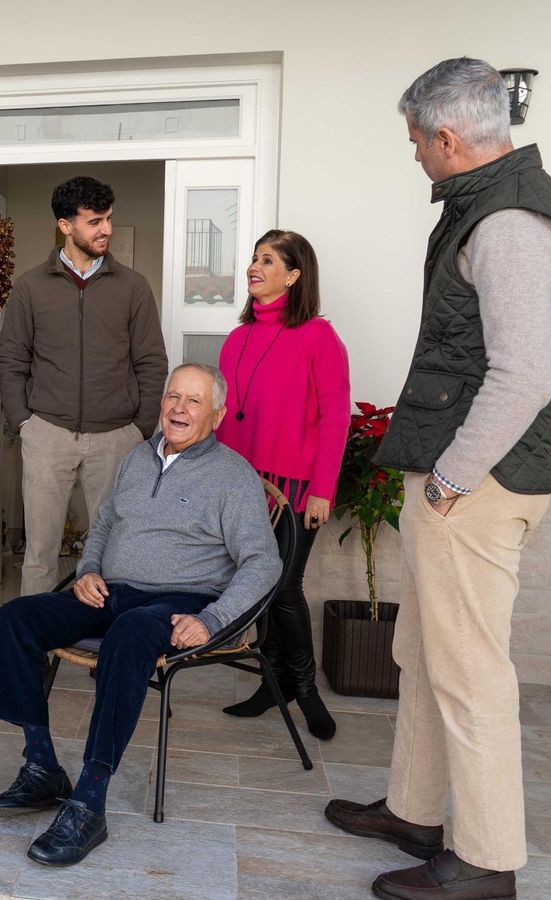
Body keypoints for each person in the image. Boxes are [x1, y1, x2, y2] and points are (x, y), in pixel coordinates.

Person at [324, 58, 551, 900]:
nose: (413, 156)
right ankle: (415, 808)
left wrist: (449, 479)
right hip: (456, 475)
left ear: (446, 137)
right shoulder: (488, 207)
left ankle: (485, 860)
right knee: (423, 650)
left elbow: (523, 377)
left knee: (470, 672)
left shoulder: (511, 220)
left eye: (414, 141)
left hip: (476, 483)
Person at [0, 364, 281, 867]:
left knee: (129, 634)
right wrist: (87, 569)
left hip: (180, 601)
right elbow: (103, 525)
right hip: (111, 591)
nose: (179, 408)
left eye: (193, 401)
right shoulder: (136, 459)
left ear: (217, 414)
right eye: (173, 397)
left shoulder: (233, 475)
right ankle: (41, 768)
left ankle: (89, 800)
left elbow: (263, 562)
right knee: (17, 617)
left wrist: (212, 619)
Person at [0, 176, 168, 597]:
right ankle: (34, 652)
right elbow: (12, 359)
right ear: (65, 225)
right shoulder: (30, 287)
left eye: (108, 219)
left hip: (117, 438)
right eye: (94, 221)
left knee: (116, 551)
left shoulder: (133, 287)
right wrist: (23, 422)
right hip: (47, 434)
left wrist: (141, 427)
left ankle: (108, 652)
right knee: (40, 552)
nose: (105, 229)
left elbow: (151, 360)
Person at [214, 229, 349, 741]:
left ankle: (305, 690)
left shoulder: (318, 336)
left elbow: (335, 418)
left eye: (267, 260)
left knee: (283, 586)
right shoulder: (236, 339)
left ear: (293, 275)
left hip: (294, 490)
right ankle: (273, 685)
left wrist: (322, 490)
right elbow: (225, 418)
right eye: (253, 257)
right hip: (245, 489)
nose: (254, 266)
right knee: (258, 586)